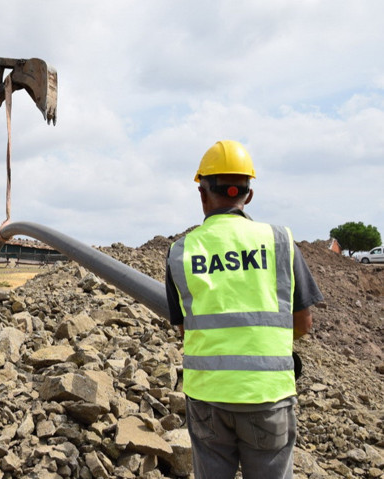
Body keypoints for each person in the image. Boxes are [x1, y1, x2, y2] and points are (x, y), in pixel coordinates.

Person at [165, 140, 323, 478]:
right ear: (248, 194)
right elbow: (303, 323)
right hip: (267, 395)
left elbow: (185, 328)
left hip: (208, 396)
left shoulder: (181, 252)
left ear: (202, 194)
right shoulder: (280, 242)